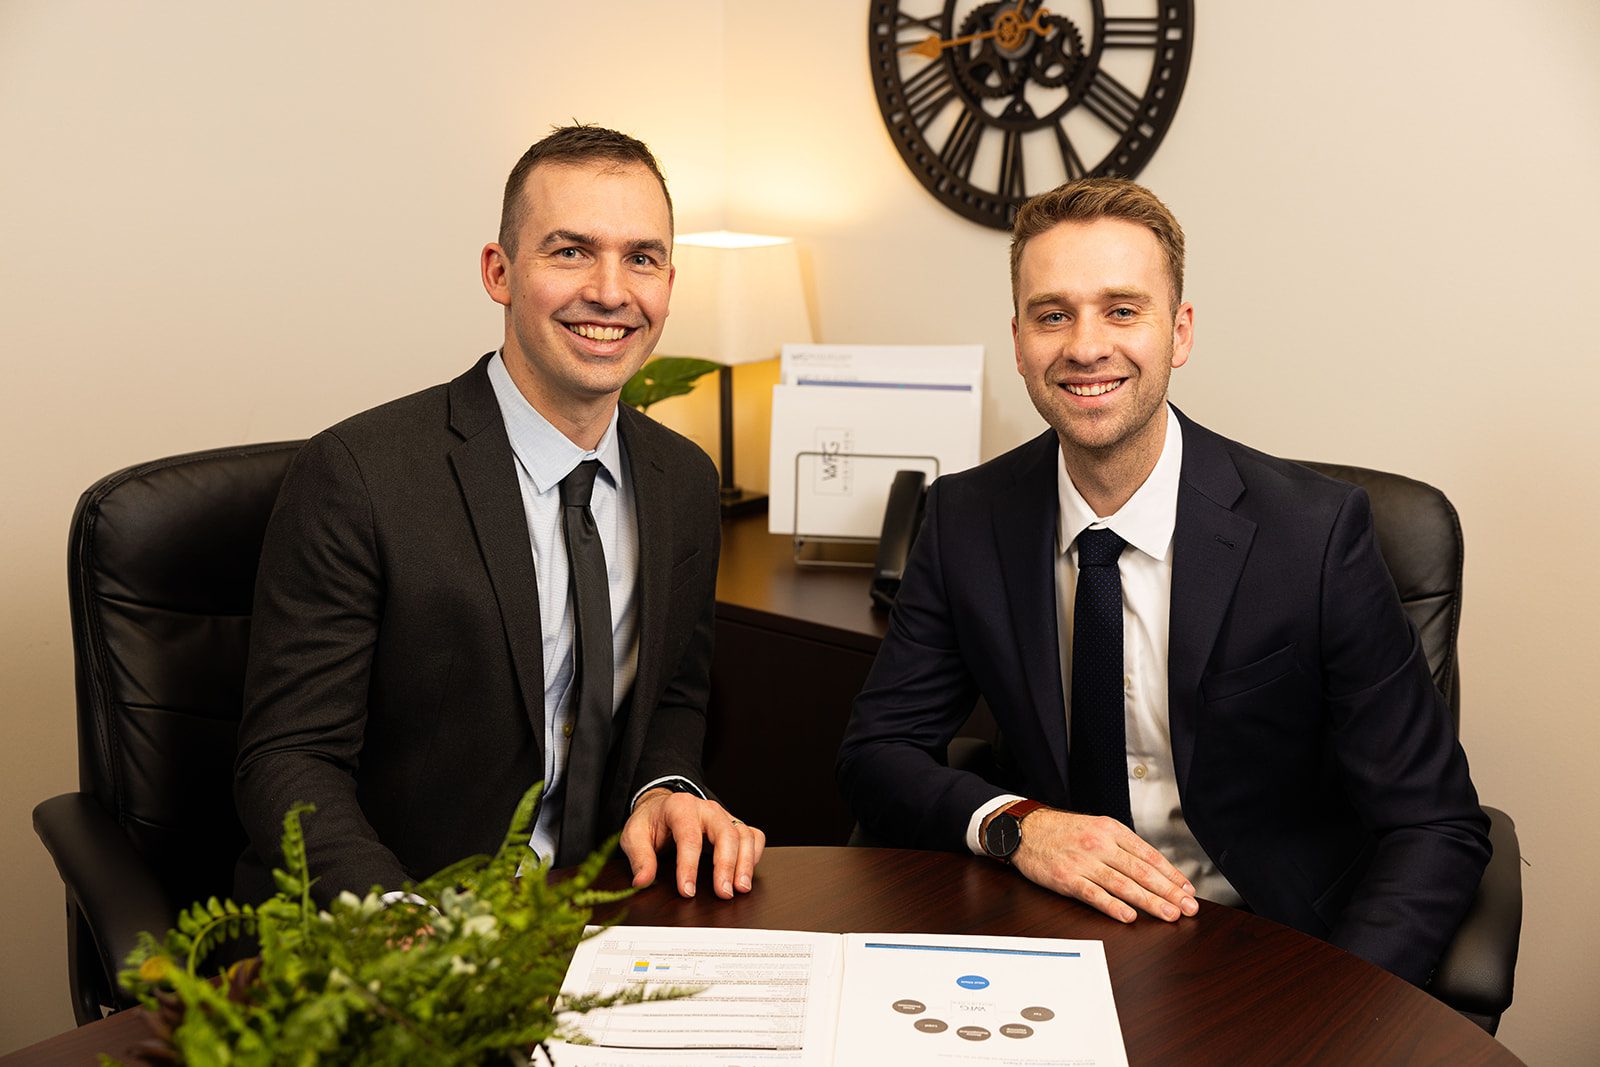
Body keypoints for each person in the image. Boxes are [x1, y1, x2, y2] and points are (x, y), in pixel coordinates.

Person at [836, 177, 1489, 986]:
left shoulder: (1314, 536)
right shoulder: (967, 517)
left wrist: (1340, 1014)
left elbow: (1437, 824)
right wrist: (1018, 826)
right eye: (1053, 314)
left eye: (1121, 309)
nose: (1084, 345)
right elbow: (877, 752)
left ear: (1178, 332)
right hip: (1054, 932)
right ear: (1019, 341)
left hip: (1272, 945)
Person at [235, 125, 764, 908]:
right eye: (571, 251)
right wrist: (398, 922)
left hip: (601, 916)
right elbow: (289, 757)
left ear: (668, 283)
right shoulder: (358, 476)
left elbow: (674, 697)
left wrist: (664, 788)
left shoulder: (683, 480)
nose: (612, 291)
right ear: (500, 271)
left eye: (641, 258)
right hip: (400, 924)